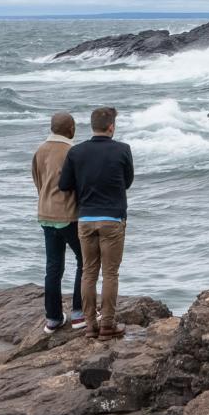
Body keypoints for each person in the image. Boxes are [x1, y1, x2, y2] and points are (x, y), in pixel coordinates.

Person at [58, 106, 134, 340]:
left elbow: (64, 185)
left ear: (91, 126)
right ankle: (108, 324)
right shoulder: (123, 150)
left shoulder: (76, 152)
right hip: (112, 218)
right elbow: (127, 182)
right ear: (111, 126)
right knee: (110, 274)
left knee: (88, 273)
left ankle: (90, 325)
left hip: (86, 219)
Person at [31, 112, 86, 333]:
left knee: (53, 267)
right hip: (68, 215)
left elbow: (37, 180)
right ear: (71, 129)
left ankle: (53, 318)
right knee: (86, 261)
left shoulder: (39, 150)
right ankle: (79, 312)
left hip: (45, 214)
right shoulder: (72, 151)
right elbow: (78, 185)